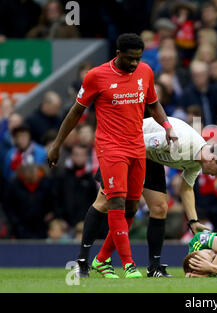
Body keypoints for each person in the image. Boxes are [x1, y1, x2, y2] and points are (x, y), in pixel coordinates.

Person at [47, 33, 178, 279]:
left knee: (131, 206)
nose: (133, 64)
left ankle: (99, 260)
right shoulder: (96, 76)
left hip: (137, 147)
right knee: (115, 202)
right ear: (118, 54)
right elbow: (76, 112)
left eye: (138, 58)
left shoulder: (146, 72)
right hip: (110, 148)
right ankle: (129, 265)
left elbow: (153, 103)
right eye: (129, 59)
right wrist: (57, 145)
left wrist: (167, 127)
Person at [75, 117, 217, 278]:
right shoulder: (180, 141)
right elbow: (134, 141)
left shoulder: (197, 161)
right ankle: (82, 262)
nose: (216, 177)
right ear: (213, 159)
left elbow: (186, 188)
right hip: (126, 145)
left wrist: (193, 221)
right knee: (104, 203)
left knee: (160, 207)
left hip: (149, 155)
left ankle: (152, 267)